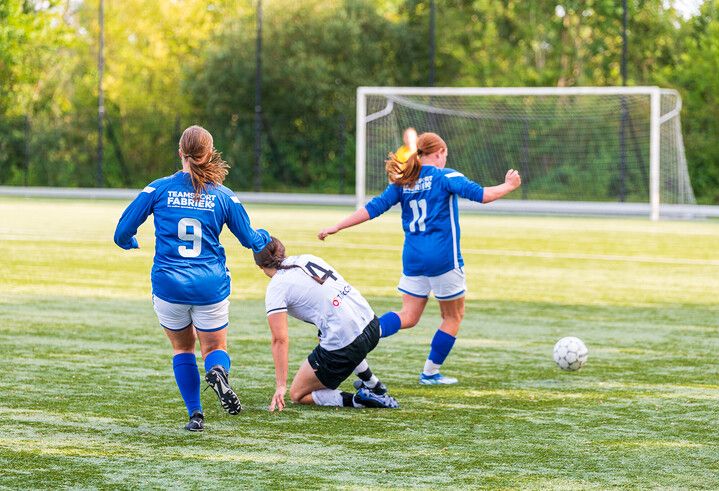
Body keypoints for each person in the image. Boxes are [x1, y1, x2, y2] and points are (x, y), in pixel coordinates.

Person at [318, 132, 521, 385]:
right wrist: (510, 185)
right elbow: (482, 195)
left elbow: (373, 208)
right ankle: (430, 373)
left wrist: (337, 226)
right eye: (445, 155)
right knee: (452, 317)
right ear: (439, 153)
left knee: (409, 316)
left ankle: (364, 332)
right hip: (443, 259)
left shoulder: (405, 180)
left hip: (413, 260)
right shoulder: (444, 176)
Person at [114, 125, 271, 431]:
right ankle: (217, 374)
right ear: (209, 154)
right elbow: (250, 239)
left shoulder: (158, 189)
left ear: (180, 152)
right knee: (214, 349)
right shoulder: (225, 196)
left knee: (183, 349)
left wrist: (129, 242)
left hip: (169, 285)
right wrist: (264, 237)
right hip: (209, 285)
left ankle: (195, 415)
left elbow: (121, 232)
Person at [253, 236, 400, 411]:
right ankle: (373, 384)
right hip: (372, 325)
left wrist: (280, 386)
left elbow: (280, 340)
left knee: (297, 394)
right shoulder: (308, 258)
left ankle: (360, 400)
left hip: (349, 344)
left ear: (260, 265)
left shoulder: (276, 287)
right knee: (332, 334)